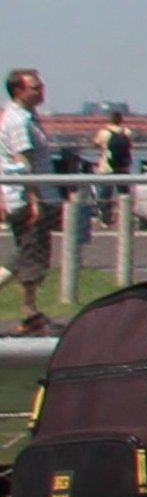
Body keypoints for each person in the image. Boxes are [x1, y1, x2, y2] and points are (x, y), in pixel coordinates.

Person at [2, 65, 52, 329]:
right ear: (19, 90)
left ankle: (30, 311)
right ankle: (28, 312)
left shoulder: (29, 116)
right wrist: (34, 200)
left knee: (26, 255)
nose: (41, 90)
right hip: (27, 198)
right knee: (29, 256)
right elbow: (23, 162)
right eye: (35, 87)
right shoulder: (18, 120)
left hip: (32, 194)